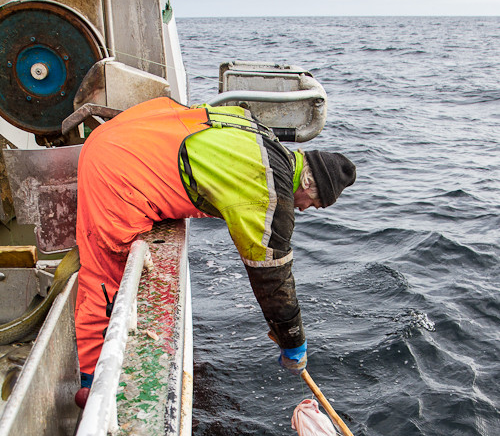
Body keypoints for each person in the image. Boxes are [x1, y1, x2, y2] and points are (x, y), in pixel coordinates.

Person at [74, 96, 356, 405]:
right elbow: (272, 277)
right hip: (117, 170)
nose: (303, 209)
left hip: (121, 138)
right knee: (107, 276)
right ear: (306, 181)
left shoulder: (262, 137)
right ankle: (92, 384)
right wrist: (293, 342)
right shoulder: (270, 189)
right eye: (311, 203)